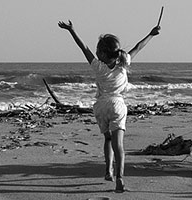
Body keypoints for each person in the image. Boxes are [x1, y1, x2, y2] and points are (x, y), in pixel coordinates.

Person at [57, 20, 158, 193]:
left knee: (107, 139)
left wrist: (71, 30)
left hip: (101, 106)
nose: (95, 52)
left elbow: (84, 48)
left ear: (103, 53)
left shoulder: (99, 68)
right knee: (119, 145)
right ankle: (119, 177)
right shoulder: (123, 65)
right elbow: (138, 47)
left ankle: (108, 171)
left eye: (98, 50)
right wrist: (151, 34)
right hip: (117, 105)